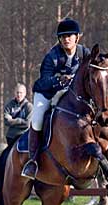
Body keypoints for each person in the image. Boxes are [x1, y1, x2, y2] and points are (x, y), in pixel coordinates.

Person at [21, 18, 90, 179]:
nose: (66, 39)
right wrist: (60, 80)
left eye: (69, 36)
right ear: (59, 39)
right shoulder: (52, 56)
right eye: (63, 36)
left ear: (77, 37)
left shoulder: (84, 53)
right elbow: (44, 80)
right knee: (37, 120)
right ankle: (33, 161)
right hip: (47, 92)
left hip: (72, 95)